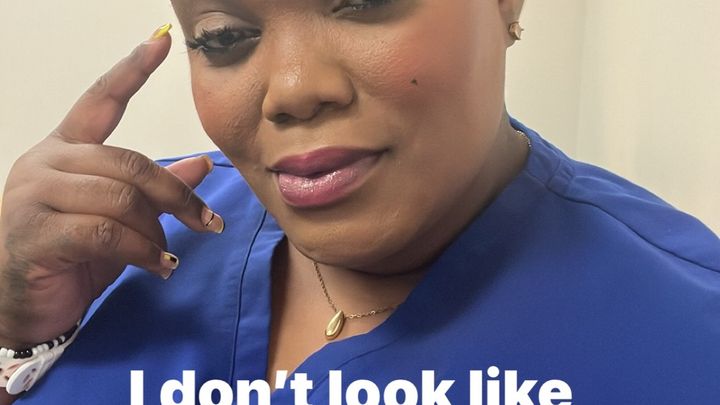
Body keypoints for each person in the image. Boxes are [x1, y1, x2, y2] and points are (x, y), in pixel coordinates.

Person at [1, 0, 718, 404]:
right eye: (223, 38)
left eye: (364, 0)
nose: (291, 89)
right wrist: (18, 336)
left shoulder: (689, 342)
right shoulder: (109, 242)